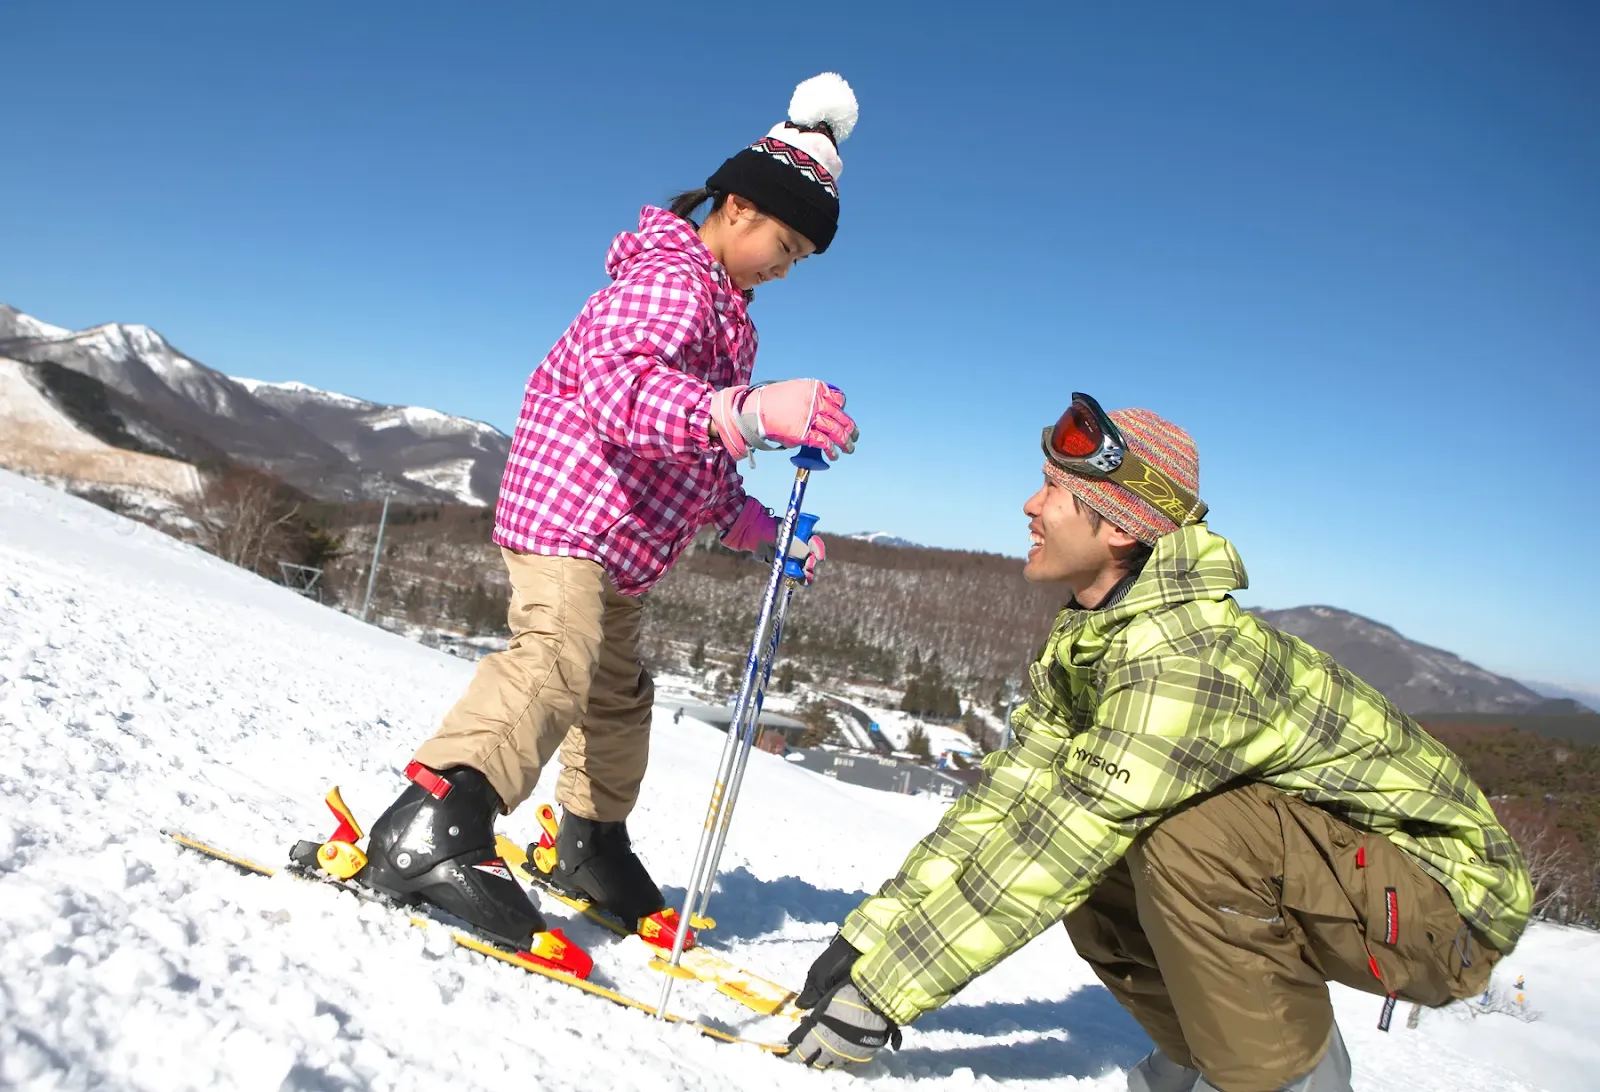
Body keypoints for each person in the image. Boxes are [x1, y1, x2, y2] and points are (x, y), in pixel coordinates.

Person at [785, 393, 1532, 1092]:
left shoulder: (1188, 659)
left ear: (1118, 528)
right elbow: (1012, 808)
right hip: (1352, 878)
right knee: (1082, 840)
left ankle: (1284, 1080)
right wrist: (870, 940)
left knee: (1178, 834)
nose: (1030, 504)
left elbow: (1064, 842)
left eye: (1053, 490)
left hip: (1447, 912)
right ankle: (1209, 1056)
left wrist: (887, 992)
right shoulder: (1095, 638)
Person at [360, 74, 864, 948]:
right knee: (556, 658)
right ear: (737, 207)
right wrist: (743, 412)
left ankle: (589, 843)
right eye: (782, 246)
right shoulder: (672, 282)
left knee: (621, 695)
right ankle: (433, 821)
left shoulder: (726, 314)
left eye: (798, 262)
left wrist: (750, 525)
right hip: (571, 517)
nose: (784, 269)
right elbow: (624, 394)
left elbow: (689, 452)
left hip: (624, 541)